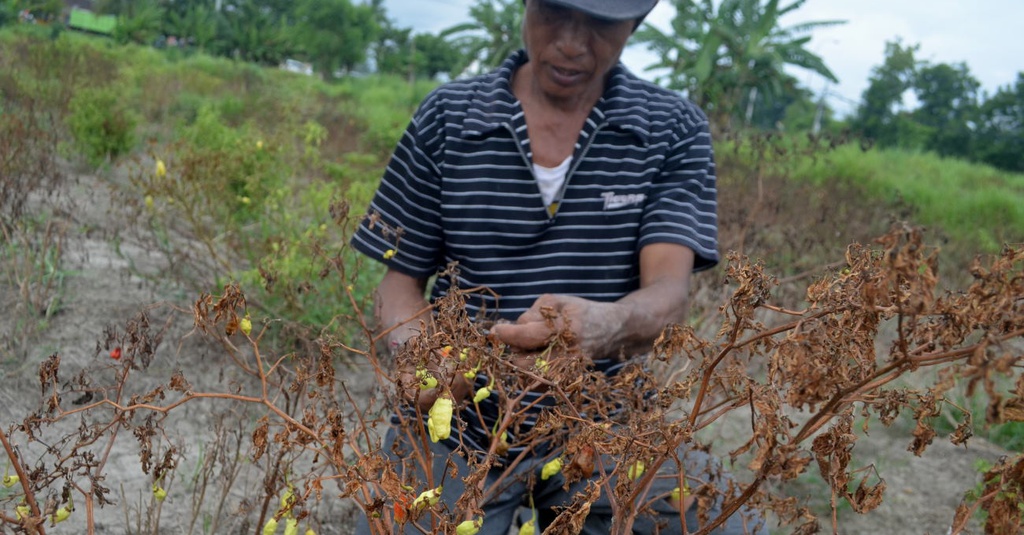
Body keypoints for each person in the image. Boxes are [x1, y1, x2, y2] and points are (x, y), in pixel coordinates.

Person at [351, 0, 767, 533]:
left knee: (721, 521)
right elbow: (400, 282)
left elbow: (669, 293)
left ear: (633, 25)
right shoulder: (448, 117)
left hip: (605, 412)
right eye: (554, 12)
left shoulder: (670, 127)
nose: (571, 42)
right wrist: (423, 363)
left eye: (599, 23)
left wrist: (601, 326)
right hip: (456, 419)